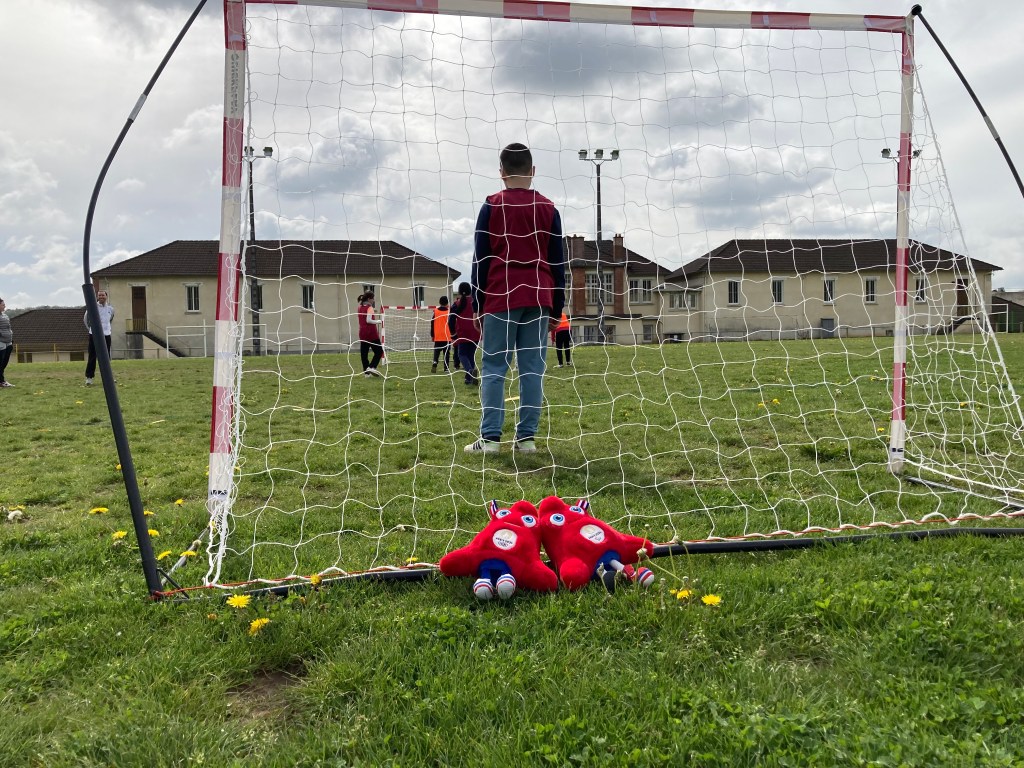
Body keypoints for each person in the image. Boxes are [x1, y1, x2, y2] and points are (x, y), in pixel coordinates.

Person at [465, 142, 565, 454]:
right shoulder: (549, 208)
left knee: (495, 367)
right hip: (539, 295)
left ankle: (490, 439)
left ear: (501, 173)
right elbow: (558, 262)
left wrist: (478, 304)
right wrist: (557, 307)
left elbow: (480, 259)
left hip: (501, 294)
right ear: (533, 171)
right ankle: (526, 439)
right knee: (532, 368)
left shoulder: (492, 206)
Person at [449, 282, 480, 387]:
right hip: (476, 331)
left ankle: (470, 372)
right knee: (471, 355)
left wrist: (453, 335)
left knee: (462, 354)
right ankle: (468, 379)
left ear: (459, 291)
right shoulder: (476, 301)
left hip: (463, 332)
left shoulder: (457, 304)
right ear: (470, 290)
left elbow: (451, 321)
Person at [84, 289, 115, 386]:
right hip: (94, 335)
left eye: (103, 295)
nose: (101, 297)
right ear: (97, 297)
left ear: (106, 296)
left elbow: (110, 319)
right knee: (92, 356)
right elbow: (86, 319)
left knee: (106, 357)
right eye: (99, 295)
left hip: (106, 335)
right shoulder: (93, 307)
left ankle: (108, 377)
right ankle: (89, 377)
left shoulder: (110, 309)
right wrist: (92, 330)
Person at [357, 290, 384, 377]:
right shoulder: (370, 308)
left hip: (362, 333)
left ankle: (367, 374)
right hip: (371, 333)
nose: (374, 300)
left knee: (364, 354)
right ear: (369, 299)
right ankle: (372, 367)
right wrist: (378, 321)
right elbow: (368, 320)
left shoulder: (359, 307)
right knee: (379, 351)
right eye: (373, 298)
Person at [430, 296, 452, 373]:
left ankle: (435, 362)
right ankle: (446, 368)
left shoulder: (435, 311)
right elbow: (451, 323)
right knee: (446, 353)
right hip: (447, 335)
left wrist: (432, 335)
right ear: (447, 303)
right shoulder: (449, 312)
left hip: (438, 335)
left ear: (439, 302)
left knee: (437, 351)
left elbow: (432, 323)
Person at [0, 297, 13, 388]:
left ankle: (1, 381)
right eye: (3, 305)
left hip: (8, 341)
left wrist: (10, 335)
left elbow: (8, 327)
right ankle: (1, 381)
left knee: (4, 362)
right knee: (0, 362)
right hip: (1, 342)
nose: (4, 306)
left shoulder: (5, 316)